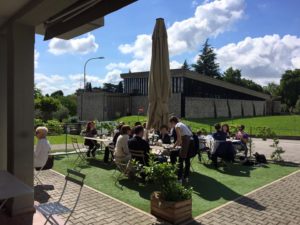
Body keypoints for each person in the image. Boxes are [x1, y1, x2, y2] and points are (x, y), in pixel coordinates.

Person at [169, 116, 193, 183]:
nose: (171, 125)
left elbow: (179, 139)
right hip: (191, 142)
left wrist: (173, 147)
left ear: (173, 122)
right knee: (187, 160)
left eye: (171, 124)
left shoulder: (177, 126)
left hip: (187, 141)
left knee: (180, 160)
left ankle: (179, 179)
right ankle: (186, 177)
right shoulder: (182, 124)